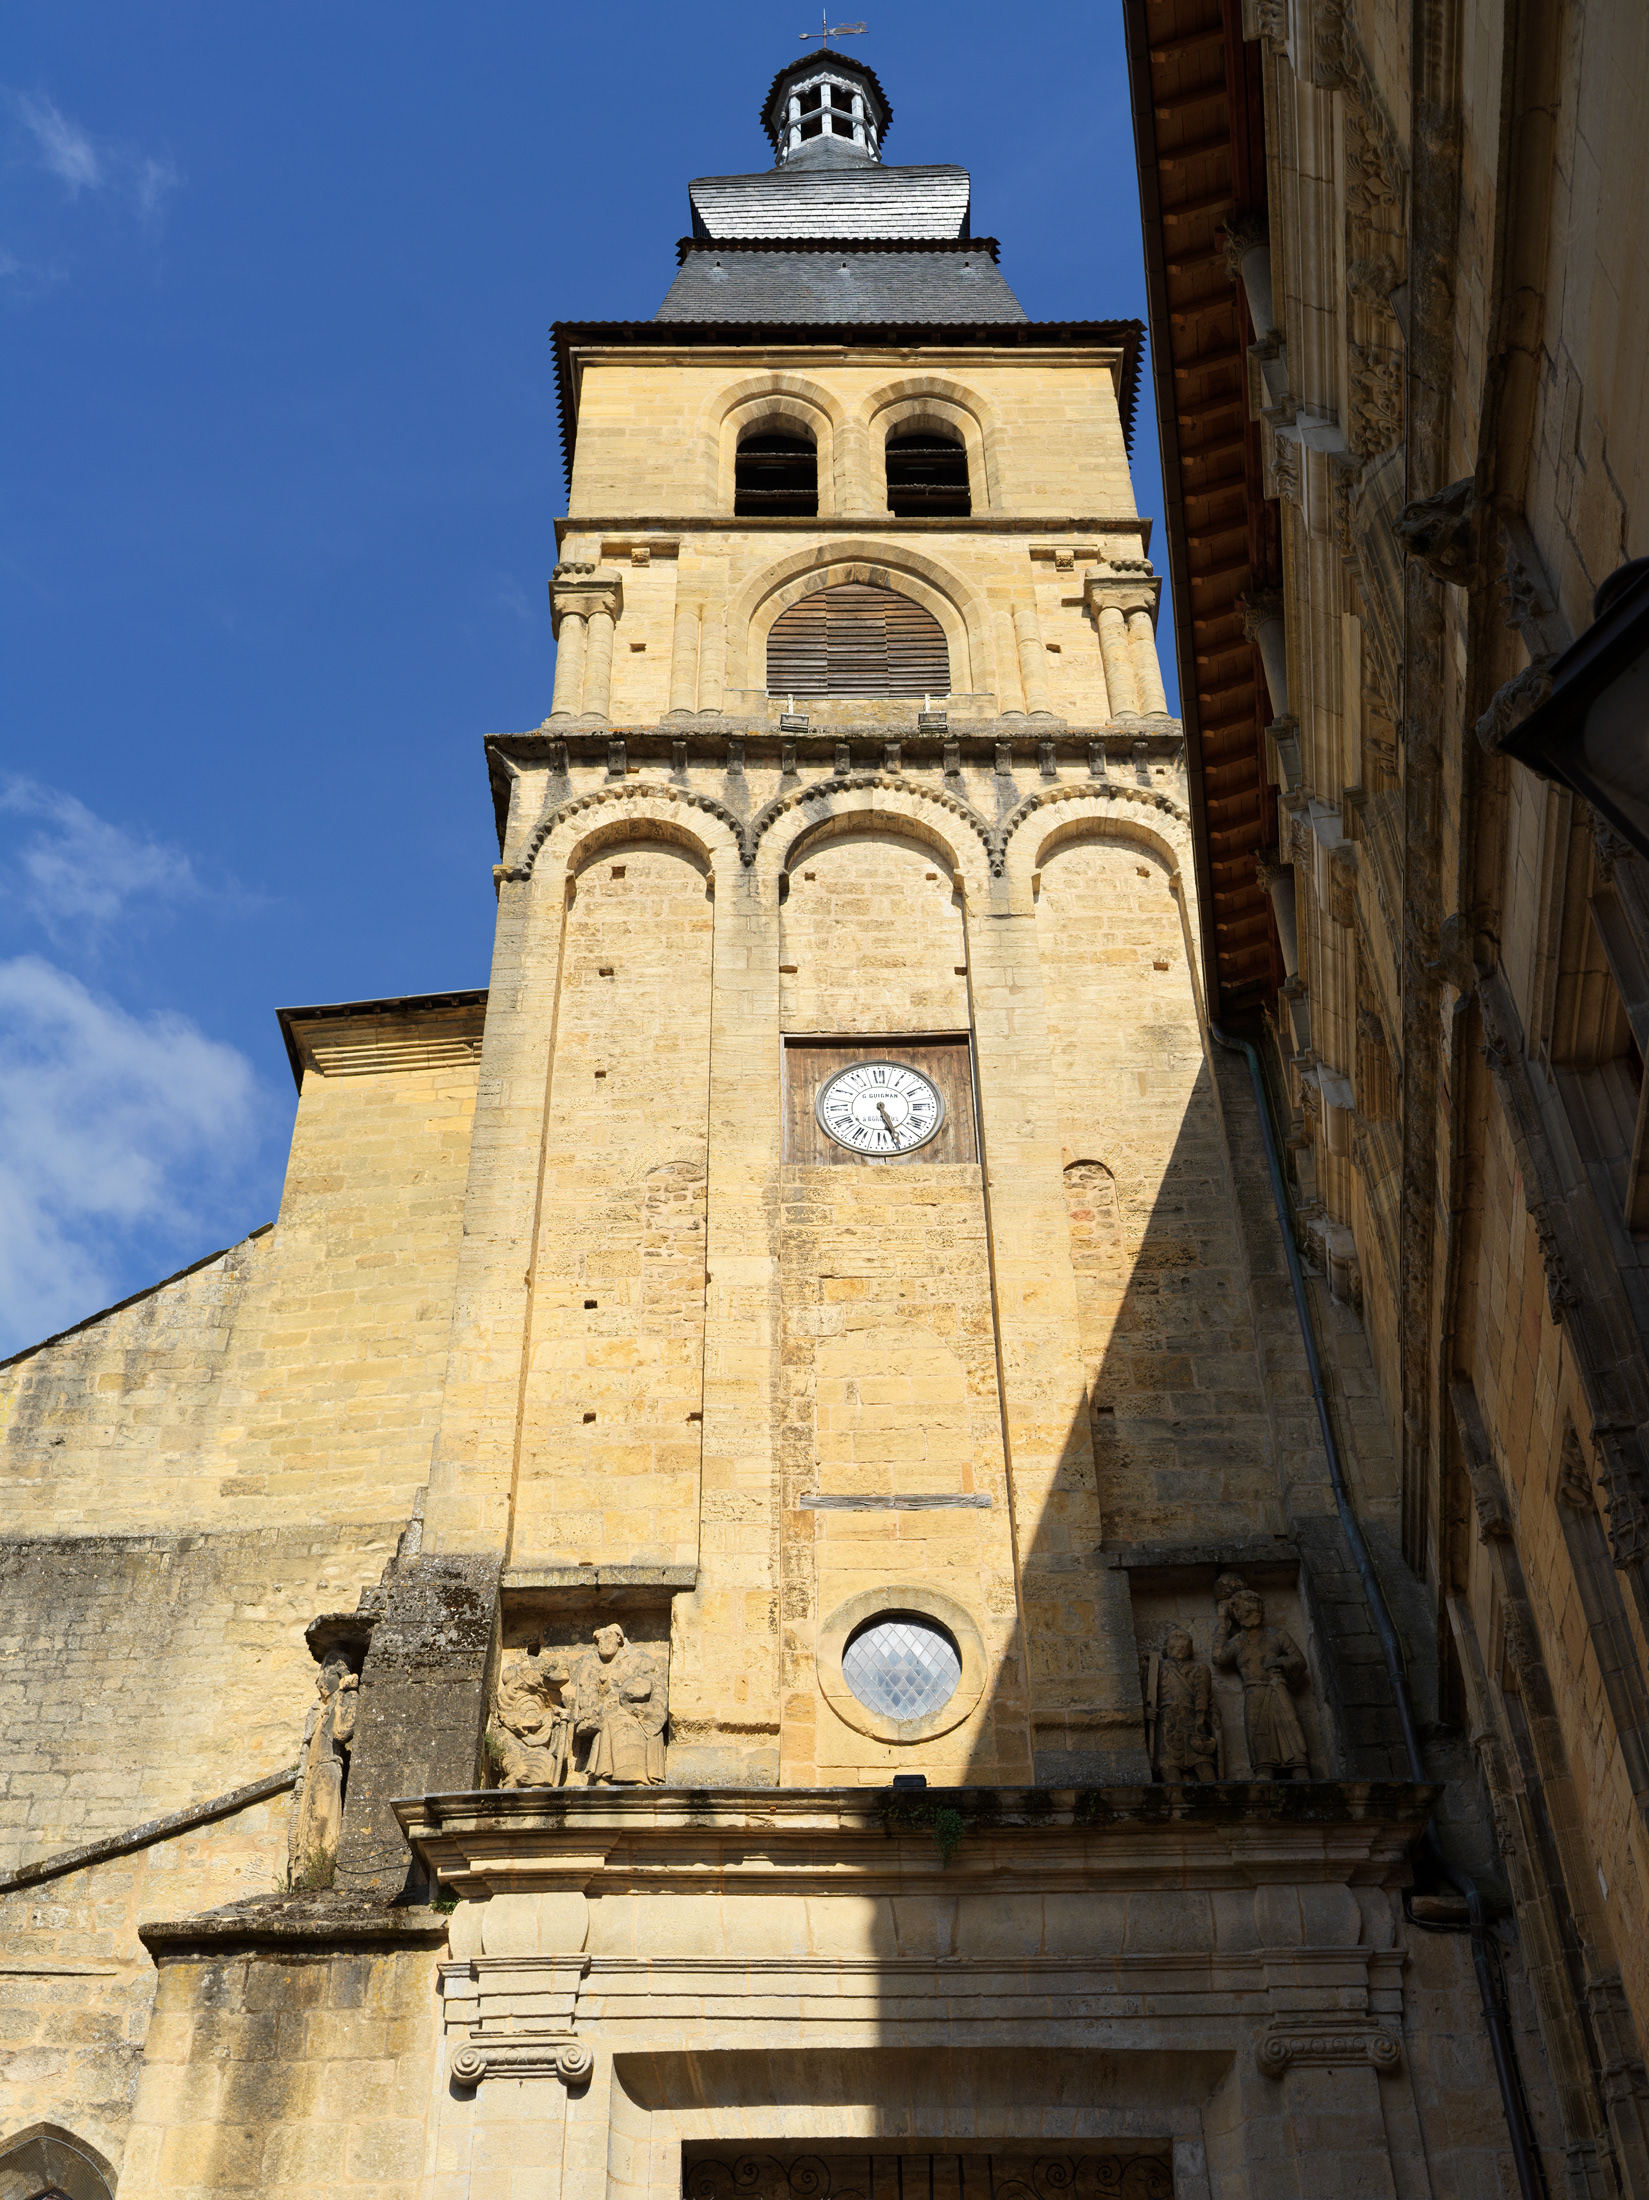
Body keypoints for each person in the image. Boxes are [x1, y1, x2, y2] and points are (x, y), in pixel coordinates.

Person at [1212, 1585, 1310, 1779]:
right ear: (1237, 1614)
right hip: (1254, 1691)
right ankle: (1264, 1770)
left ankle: (1300, 1768)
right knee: (1258, 1733)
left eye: (1257, 1610)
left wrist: (1279, 1662)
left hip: (1277, 1687)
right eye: (1247, 1610)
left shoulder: (1277, 1635)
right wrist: (1223, 1624)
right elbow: (1219, 1658)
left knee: (1290, 1727)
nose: (1253, 1614)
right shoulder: (1238, 1642)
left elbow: (1299, 1660)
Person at [288, 1656, 358, 1885]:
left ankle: (321, 1869)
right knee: (307, 1825)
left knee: (323, 1820)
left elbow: (342, 1733)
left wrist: (348, 1695)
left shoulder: (341, 1699)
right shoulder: (318, 1707)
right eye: (322, 1671)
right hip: (312, 1772)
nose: (321, 1678)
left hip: (328, 1766)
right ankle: (306, 1872)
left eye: (328, 1671)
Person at [570, 1624, 666, 1785]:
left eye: (607, 1638)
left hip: (638, 1715)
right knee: (608, 1723)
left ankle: (638, 1776)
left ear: (619, 1639)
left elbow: (654, 1688)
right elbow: (587, 1691)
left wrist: (636, 1707)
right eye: (598, 1640)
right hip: (608, 1716)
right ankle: (605, 1775)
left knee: (621, 1725)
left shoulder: (639, 1659)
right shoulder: (593, 1661)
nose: (602, 1643)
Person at [1151, 1627, 1218, 1781]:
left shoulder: (1200, 1668)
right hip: (1167, 1724)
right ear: (1167, 1645)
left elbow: (1203, 1697)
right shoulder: (1157, 1668)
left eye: (1183, 1638)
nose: (1179, 1642)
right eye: (1175, 1638)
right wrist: (1147, 1710)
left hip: (1194, 1722)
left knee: (1204, 1765)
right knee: (1168, 1767)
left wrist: (1201, 1720)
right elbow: (1148, 1694)